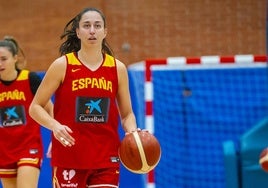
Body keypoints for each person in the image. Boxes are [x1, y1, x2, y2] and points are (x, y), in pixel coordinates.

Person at [29, 7, 138, 188]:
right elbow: (35, 107)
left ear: (105, 32)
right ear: (78, 32)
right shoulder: (62, 65)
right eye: (86, 26)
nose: (92, 30)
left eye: (97, 26)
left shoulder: (117, 69)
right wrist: (54, 126)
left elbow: (127, 115)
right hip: (69, 157)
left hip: (106, 158)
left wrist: (133, 133)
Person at [0, 36, 53, 188]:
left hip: (28, 147)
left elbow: (50, 108)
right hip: (4, 150)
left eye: (4, 59)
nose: (0, 63)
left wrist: (57, 134)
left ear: (15, 58)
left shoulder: (30, 79)